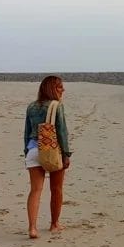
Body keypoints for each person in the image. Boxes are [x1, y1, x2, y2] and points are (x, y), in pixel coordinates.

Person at [23, 75, 72, 238]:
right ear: (51, 89)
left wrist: (27, 152)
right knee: (56, 189)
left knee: (35, 190)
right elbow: (62, 131)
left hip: (33, 151)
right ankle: (54, 224)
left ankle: (32, 228)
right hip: (52, 151)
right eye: (59, 87)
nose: (63, 90)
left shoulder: (31, 107)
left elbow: (26, 132)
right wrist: (66, 154)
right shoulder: (57, 106)